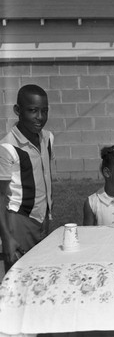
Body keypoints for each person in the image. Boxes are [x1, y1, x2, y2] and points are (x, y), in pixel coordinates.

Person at [0, 84, 53, 271]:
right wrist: (6, 237)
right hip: (20, 220)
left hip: (42, 217)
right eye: (32, 111)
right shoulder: (7, 147)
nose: (40, 117)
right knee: (18, 275)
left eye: (44, 111)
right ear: (17, 110)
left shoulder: (47, 138)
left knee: (41, 273)